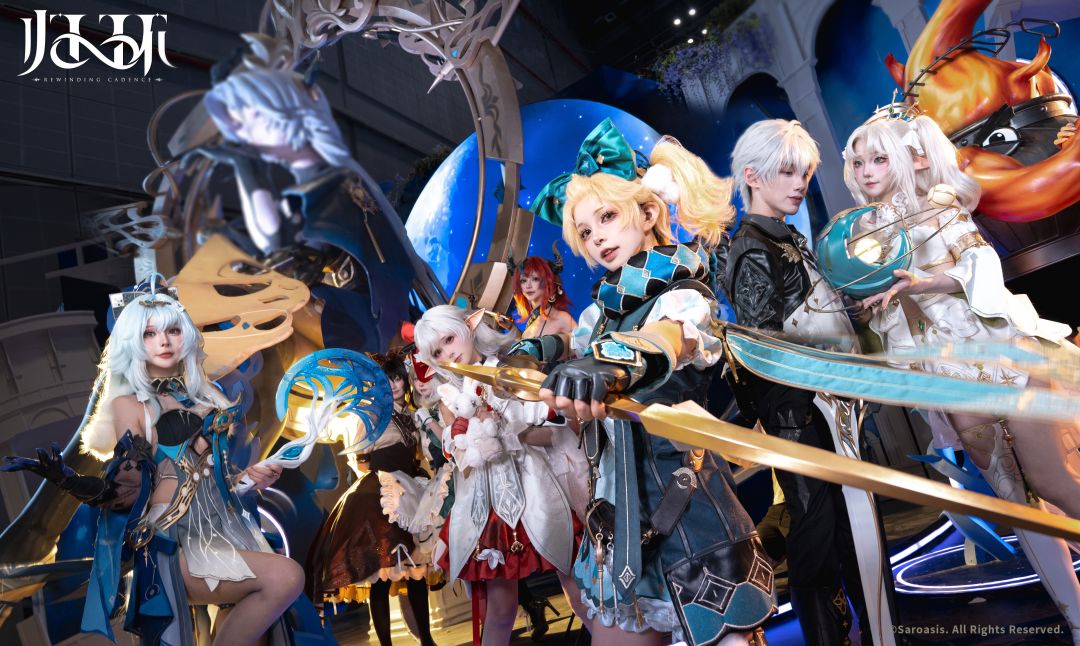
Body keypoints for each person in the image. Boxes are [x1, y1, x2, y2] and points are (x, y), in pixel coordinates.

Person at [521, 118, 773, 646]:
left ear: (649, 213)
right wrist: (539, 354)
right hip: (617, 516)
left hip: (684, 504)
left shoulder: (682, 295)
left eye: (607, 216)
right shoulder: (599, 315)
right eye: (585, 232)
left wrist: (616, 362)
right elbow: (573, 347)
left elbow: (670, 336)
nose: (597, 237)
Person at [843, 111, 1080, 643]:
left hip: (1002, 356)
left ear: (908, 159)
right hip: (948, 378)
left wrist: (921, 283)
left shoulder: (940, 204)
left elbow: (981, 268)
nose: (866, 170)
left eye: (878, 158)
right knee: (1018, 508)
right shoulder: (862, 233)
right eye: (857, 162)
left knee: (1054, 483)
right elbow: (890, 319)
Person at [2, 278, 303, 645]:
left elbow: (213, 483)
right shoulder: (129, 406)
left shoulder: (205, 396)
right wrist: (67, 479)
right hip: (175, 547)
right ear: (132, 340)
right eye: (149, 333)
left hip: (227, 534)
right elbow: (125, 489)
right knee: (286, 577)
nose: (164, 341)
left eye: (173, 330)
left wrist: (251, 478)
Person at [723, 119, 873, 645]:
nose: (799, 184)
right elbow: (764, 346)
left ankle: (873, 631)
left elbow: (806, 315)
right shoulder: (752, 246)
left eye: (804, 173)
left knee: (849, 528)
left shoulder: (785, 236)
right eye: (787, 172)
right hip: (798, 412)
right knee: (817, 535)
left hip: (830, 405)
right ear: (752, 176)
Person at [197, 66, 443, 352]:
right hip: (361, 317)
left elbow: (294, 248)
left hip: (379, 319)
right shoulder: (313, 189)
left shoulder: (333, 183)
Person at [414, 305, 579, 645]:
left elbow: (555, 432)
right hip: (486, 507)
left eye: (449, 339)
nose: (448, 353)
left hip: (538, 491)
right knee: (501, 611)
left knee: (579, 592)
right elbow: (461, 461)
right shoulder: (448, 396)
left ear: (468, 326)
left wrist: (509, 431)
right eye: (437, 351)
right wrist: (472, 438)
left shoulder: (509, 369)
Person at [306, 353, 439, 646]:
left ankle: (427, 640)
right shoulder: (372, 414)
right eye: (387, 379)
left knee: (416, 570)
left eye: (397, 378)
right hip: (381, 493)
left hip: (412, 489)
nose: (393, 385)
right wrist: (382, 475)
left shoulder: (413, 414)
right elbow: (361, 458)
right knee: (380, 571)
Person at [511, 248, 576, 339]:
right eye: (523, 280)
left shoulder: (563, 318)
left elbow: (586, 345)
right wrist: (511, 327)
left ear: (548, 283)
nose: (528, 286)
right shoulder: (532, 320)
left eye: (535, 279)